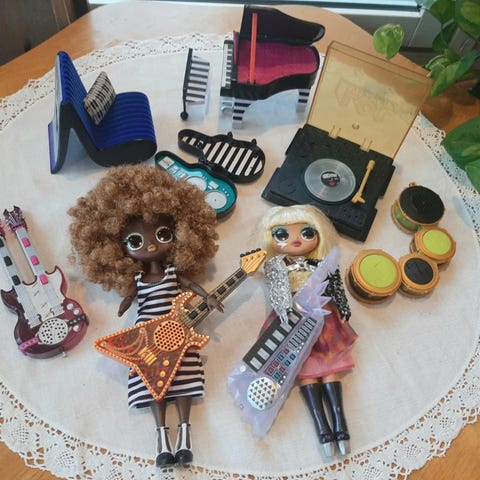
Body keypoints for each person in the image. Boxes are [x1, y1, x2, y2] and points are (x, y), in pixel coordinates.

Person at [68, 164, 222, 467]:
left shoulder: (174, 273)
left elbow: (191, 286)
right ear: (113, 250)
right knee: (151, 383)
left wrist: (208, 297)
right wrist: (126, 303)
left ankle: (185, 436)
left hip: (180, 331)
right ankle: (162, 438)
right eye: (135, 241)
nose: (151, 244)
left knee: (184, 377)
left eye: (163, 234)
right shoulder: (137, 280)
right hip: (146, 339)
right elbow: (130, 297)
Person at [257, 205, 357, 457]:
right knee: (304, 369)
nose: (295, 239)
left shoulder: (323, 263)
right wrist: (286, 314)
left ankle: (340, 424)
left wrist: (343, 308)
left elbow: (335, 288)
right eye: (282, 234)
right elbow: (277, 294)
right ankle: (322, 428)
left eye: (306, 232)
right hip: (292, 316)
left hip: (322, 314)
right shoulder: (277, 266)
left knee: (329, 367)